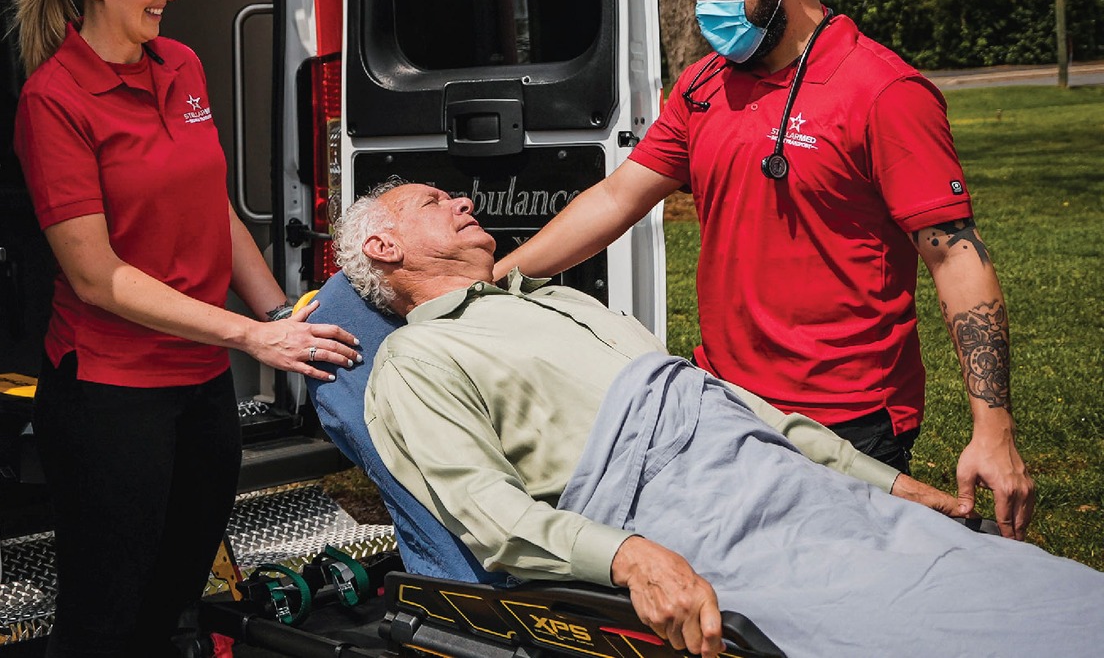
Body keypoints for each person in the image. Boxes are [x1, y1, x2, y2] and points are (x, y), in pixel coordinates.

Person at [343, 182, 1102, 658]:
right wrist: (633, 557)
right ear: (386, 247)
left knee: (1014, 580)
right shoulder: (417, 360)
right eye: (434, 203)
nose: (465, 201)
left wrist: (891, 485)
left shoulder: (557, 299)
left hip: (789, 480)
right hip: (692, 519)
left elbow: (741, 409)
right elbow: (492, 516)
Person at [498, 0, 1036, 537]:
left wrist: (993, 428)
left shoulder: (883, 90)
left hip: (849, 415)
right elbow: (617, 198)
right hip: (721, 401)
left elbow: (955, 257)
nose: (703, 6)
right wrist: (497, 279)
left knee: (844, 612)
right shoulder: (703, 86)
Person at [9, 0, 361, 658]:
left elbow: (215, 212)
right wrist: (252, 335)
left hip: (201, 384)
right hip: (110, 394)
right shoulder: (54, 101)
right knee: (105, 619)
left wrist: (283, 311)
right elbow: (97, 277)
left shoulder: (183, 65)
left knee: (175, 599)